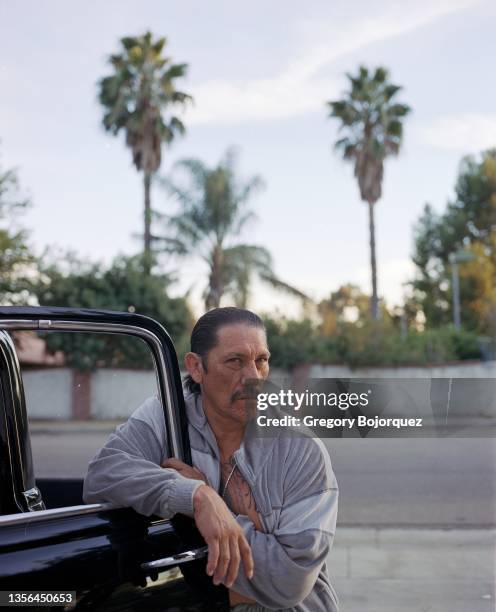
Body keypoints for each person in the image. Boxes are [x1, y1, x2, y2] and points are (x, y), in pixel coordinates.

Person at [83, 307, 339, 611]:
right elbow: (104, 474)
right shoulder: (166, 416)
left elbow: (288, 582)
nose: (253, 378)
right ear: (196, 367)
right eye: (235, 361)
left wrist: (225, 521)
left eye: (261, 361)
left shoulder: (299, 447)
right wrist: (196, 496)